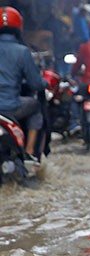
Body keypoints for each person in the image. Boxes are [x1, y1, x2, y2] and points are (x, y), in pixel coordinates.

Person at [0, 6, 47, 163]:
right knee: (36, 107)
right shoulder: (22, 51)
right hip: (11, 106)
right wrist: (44, 82)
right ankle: (29, 151)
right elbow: (35, 84)